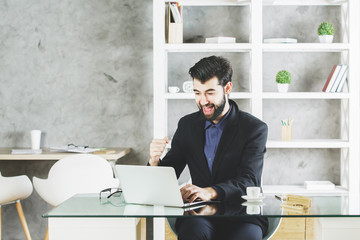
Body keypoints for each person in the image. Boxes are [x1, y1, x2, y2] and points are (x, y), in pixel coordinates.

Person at [149, 56, 268, 240]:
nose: (203, 101)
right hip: (199, 214)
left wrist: (210, 191)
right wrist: (154, 162)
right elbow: (169, 173)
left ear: (227, 88)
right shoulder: (187, 125)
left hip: (242, 215)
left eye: (210, 92)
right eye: (197, 93)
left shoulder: (254, 128)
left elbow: (249, 180)